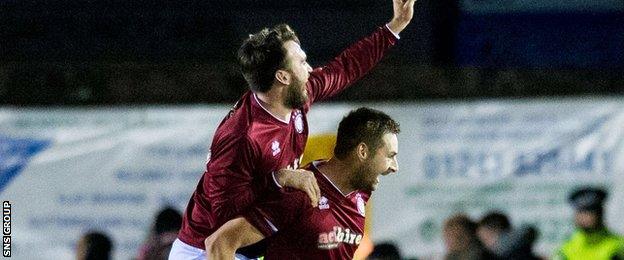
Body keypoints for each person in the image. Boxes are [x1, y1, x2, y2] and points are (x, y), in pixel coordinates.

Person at [172, 0, 416, 259]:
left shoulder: (296, 98)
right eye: (302, 61)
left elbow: (344, 69)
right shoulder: (242, 136)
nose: (310, 68)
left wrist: (394, 27)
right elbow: (223, 217)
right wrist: (281, 178)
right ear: (283, 77)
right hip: (205, 249)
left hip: (244, 246)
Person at [204, 107, 400, 259]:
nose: (395, 167)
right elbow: (220, 243)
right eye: (390, 156)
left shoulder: (360, 194)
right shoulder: (299, 194)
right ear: (363, 152)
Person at [554, 187, 624, 260]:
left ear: (600, 214)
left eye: (590, 211)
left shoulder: (618, 246)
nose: (585, 217)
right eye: (581, 212)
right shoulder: (566, 248)